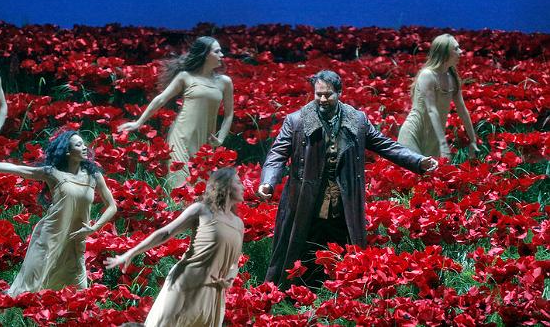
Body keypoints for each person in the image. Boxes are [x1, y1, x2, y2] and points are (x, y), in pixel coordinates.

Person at [255, 70, 438, 289]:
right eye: (318, 94)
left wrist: (418, 161)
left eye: (328, 94)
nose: (323, 99)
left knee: (342, 244)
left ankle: (338, 290)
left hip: (343, 198)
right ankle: (293, 292)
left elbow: (385, 145)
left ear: (339, 93)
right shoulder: (296, 121)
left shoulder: (357, 121)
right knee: (300, 244)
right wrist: (268, 182)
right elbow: (277, 154)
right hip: (306, 199)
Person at [0, 130, 117, 296]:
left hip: (74, 240)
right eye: (78, 145)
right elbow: (16, 169)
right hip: (49, 237)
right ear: (67, 151)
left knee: (78, 292)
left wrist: (94, 229)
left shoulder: (93, 176)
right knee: (30, 287)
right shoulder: (53, 173)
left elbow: (112, 206)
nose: (84, 148)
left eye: (84, 144)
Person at [104, 167, 244, 327]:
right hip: (186, 284)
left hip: (212, 293)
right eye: (238, 182)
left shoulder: (238, 224)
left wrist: (230, 279)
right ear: (224, 185)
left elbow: (234, 262)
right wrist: (132, 252)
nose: (243, 187)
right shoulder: (202, 210)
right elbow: (165, 233)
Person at [117, 36, 234, 187]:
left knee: (199, 189)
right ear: (205, 55)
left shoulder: (224, 82)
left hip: (206, 143)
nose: (222, 55)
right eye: (217, 51)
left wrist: (221, 139)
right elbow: (161, 99)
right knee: (179, 188)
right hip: (180, 138)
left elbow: (229, 114)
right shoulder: (185, 77)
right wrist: (138, 123)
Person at [397, 33, 479, 159]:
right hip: (414, 133)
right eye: (456, 48)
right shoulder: (427, 75)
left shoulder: (452, 78)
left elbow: (462, 110)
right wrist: (443, 144)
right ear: (444, 53)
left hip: (433, 138)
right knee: (413, 173)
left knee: (428, 176)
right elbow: (431, 110)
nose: (461, 51)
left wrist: (473, 140)